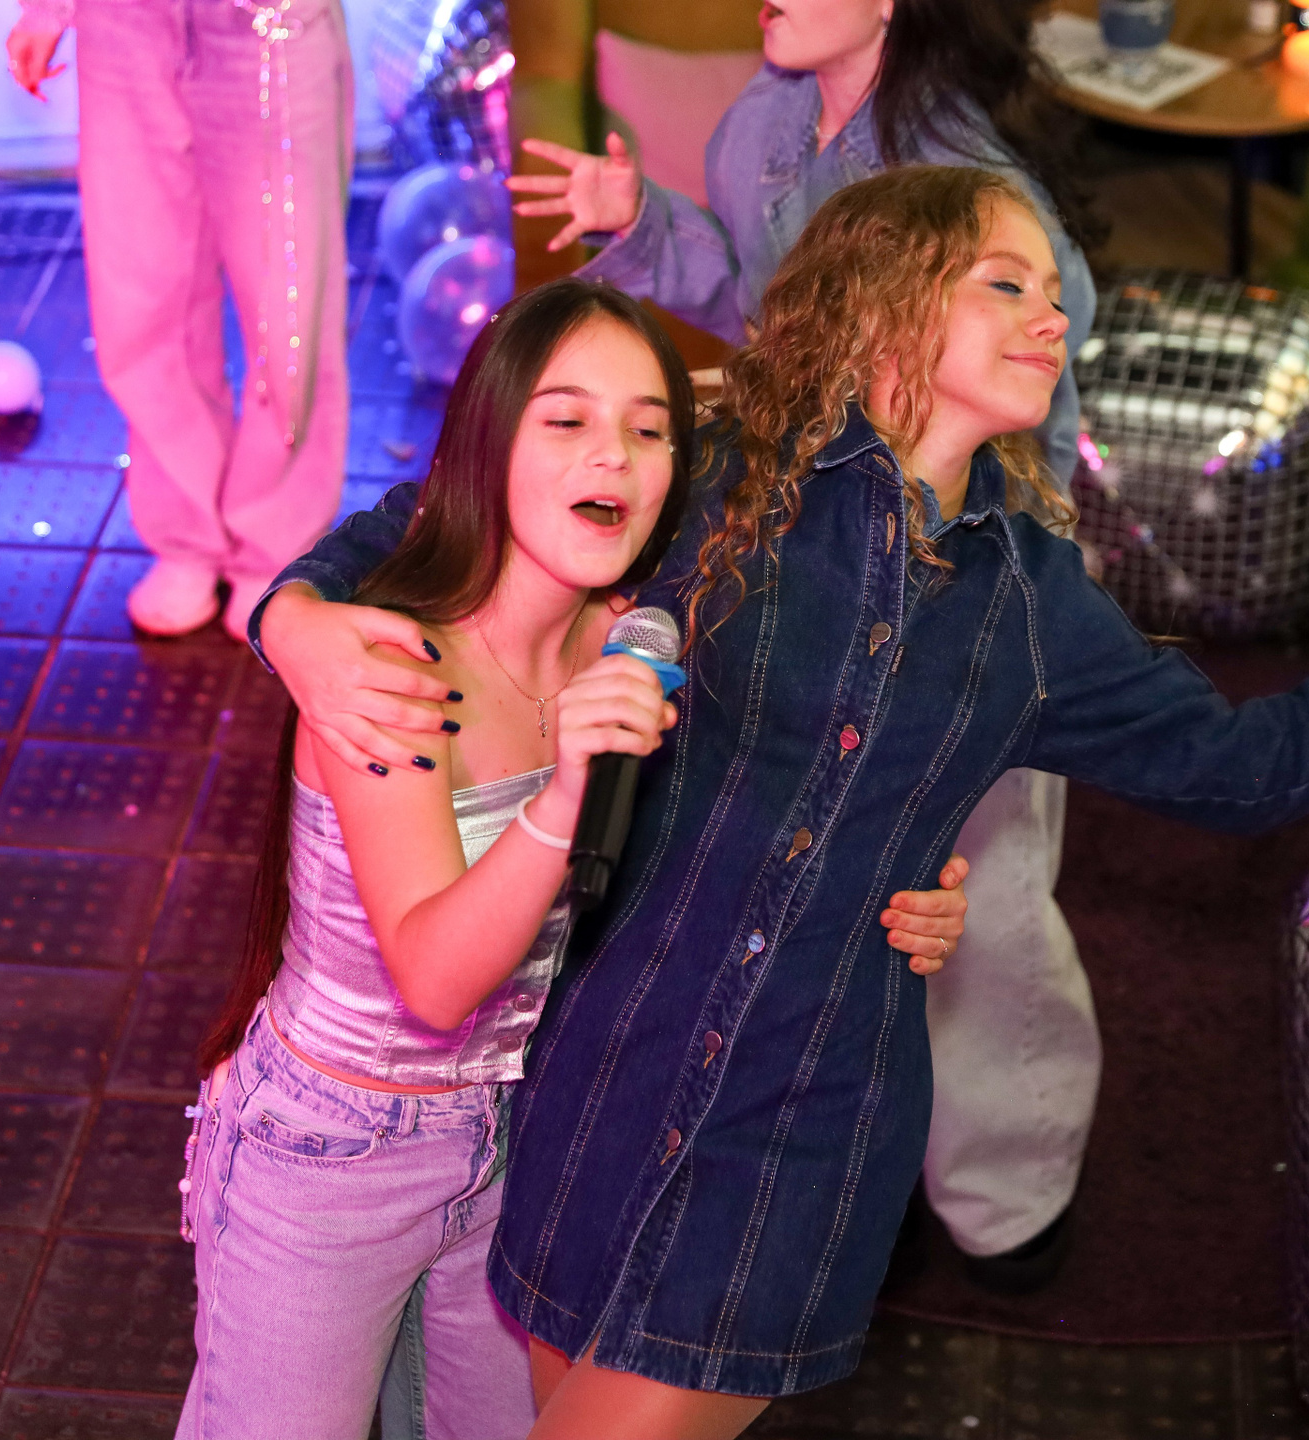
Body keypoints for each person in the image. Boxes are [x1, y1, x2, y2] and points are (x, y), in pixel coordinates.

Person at [261, 165, 1309, 1436]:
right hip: (600, 1080)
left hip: (800, 1139)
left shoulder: (1034, 607)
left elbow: (1245, 768)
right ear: (886, 297)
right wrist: (297, 617)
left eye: (1053, 293)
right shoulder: (720, 477)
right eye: (1005, 283)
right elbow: (459, 507)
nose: (1052, 317)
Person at [276, 0, 1112, 1293]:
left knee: (974, 895)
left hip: (957, 593)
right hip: (796, 556)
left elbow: (1030, 402)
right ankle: (863, 1145)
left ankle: (1011, 1193)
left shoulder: (970, 186)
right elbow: (760, 299)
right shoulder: (770, 118)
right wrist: (645, 225)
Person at [175, 278, 970, 1440]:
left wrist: (905, 897)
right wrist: (565, 795)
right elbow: (435, 977)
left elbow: (766, 831)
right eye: (567, 420)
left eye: (649, 430)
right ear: (488, 444)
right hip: (330, 1155)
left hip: (531, 1137)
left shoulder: (637, 640)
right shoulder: (390, 670)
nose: (614, 456)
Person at [5, 0, 352, 639]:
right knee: (142, 296)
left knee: (289, 307)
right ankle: (187, 531)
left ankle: (277, 544)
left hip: (270, 24)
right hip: (124, 24)